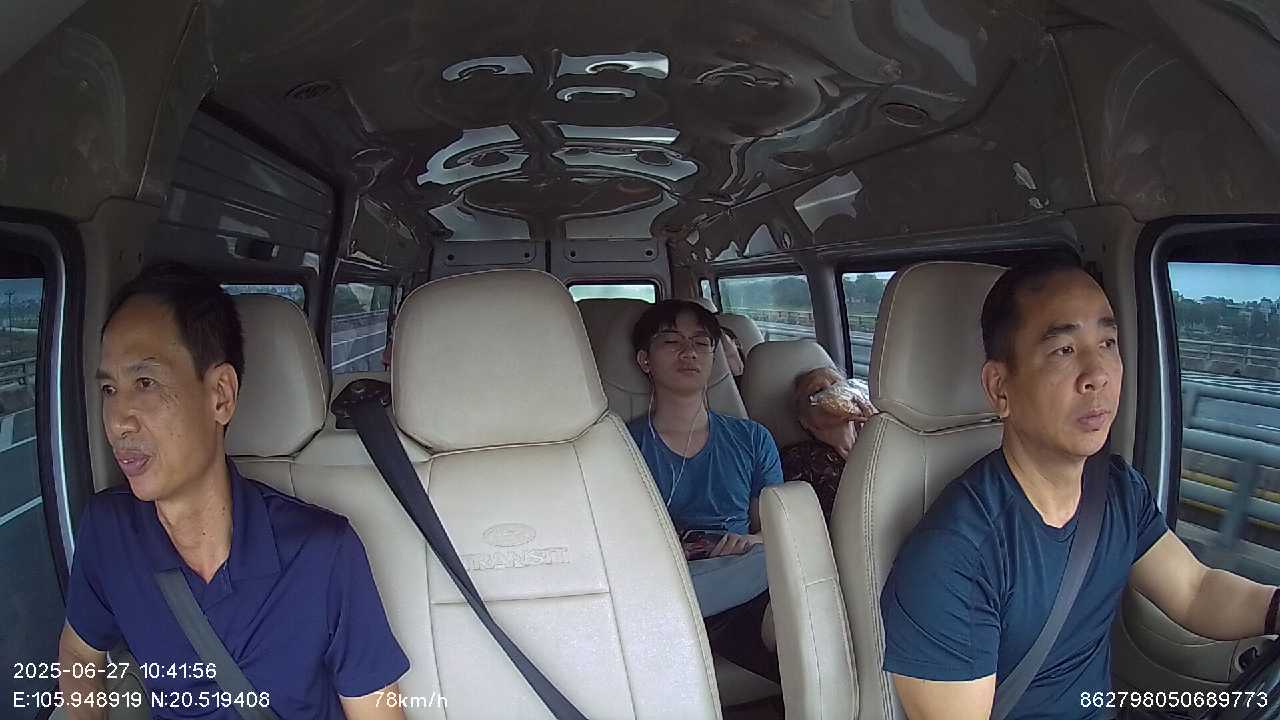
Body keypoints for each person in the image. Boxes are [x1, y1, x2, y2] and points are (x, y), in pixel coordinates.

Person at [880, 260, 1280, 720]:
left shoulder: (1116, 490)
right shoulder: (954, 558)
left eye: (1107, 343)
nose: (1098, 374)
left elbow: (1194, 590)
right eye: (1063, 350)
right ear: (1000, 387)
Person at [59, 263, 409, 719]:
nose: (117, 421)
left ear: (220, 396)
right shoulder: (109, 532)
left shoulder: (323, 554)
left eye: (145, 383)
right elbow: (79, 653)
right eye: (109, 389)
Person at [627, 299, 783, 681]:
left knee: (796, 607)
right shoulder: (621, 446)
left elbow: (775, 530)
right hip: (668, 579)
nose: (689, 352)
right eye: (671, 341)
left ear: (714, 358)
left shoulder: (752, 438)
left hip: (744, 578)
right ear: (645, 360)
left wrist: (749, 542)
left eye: (700, 343)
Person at [779, 366, 875, 521]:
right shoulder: (798, 459)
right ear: (804, 420)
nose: (832, 392)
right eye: (818, 391)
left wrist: (879, 428)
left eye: (838, 385)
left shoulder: (876, 439)